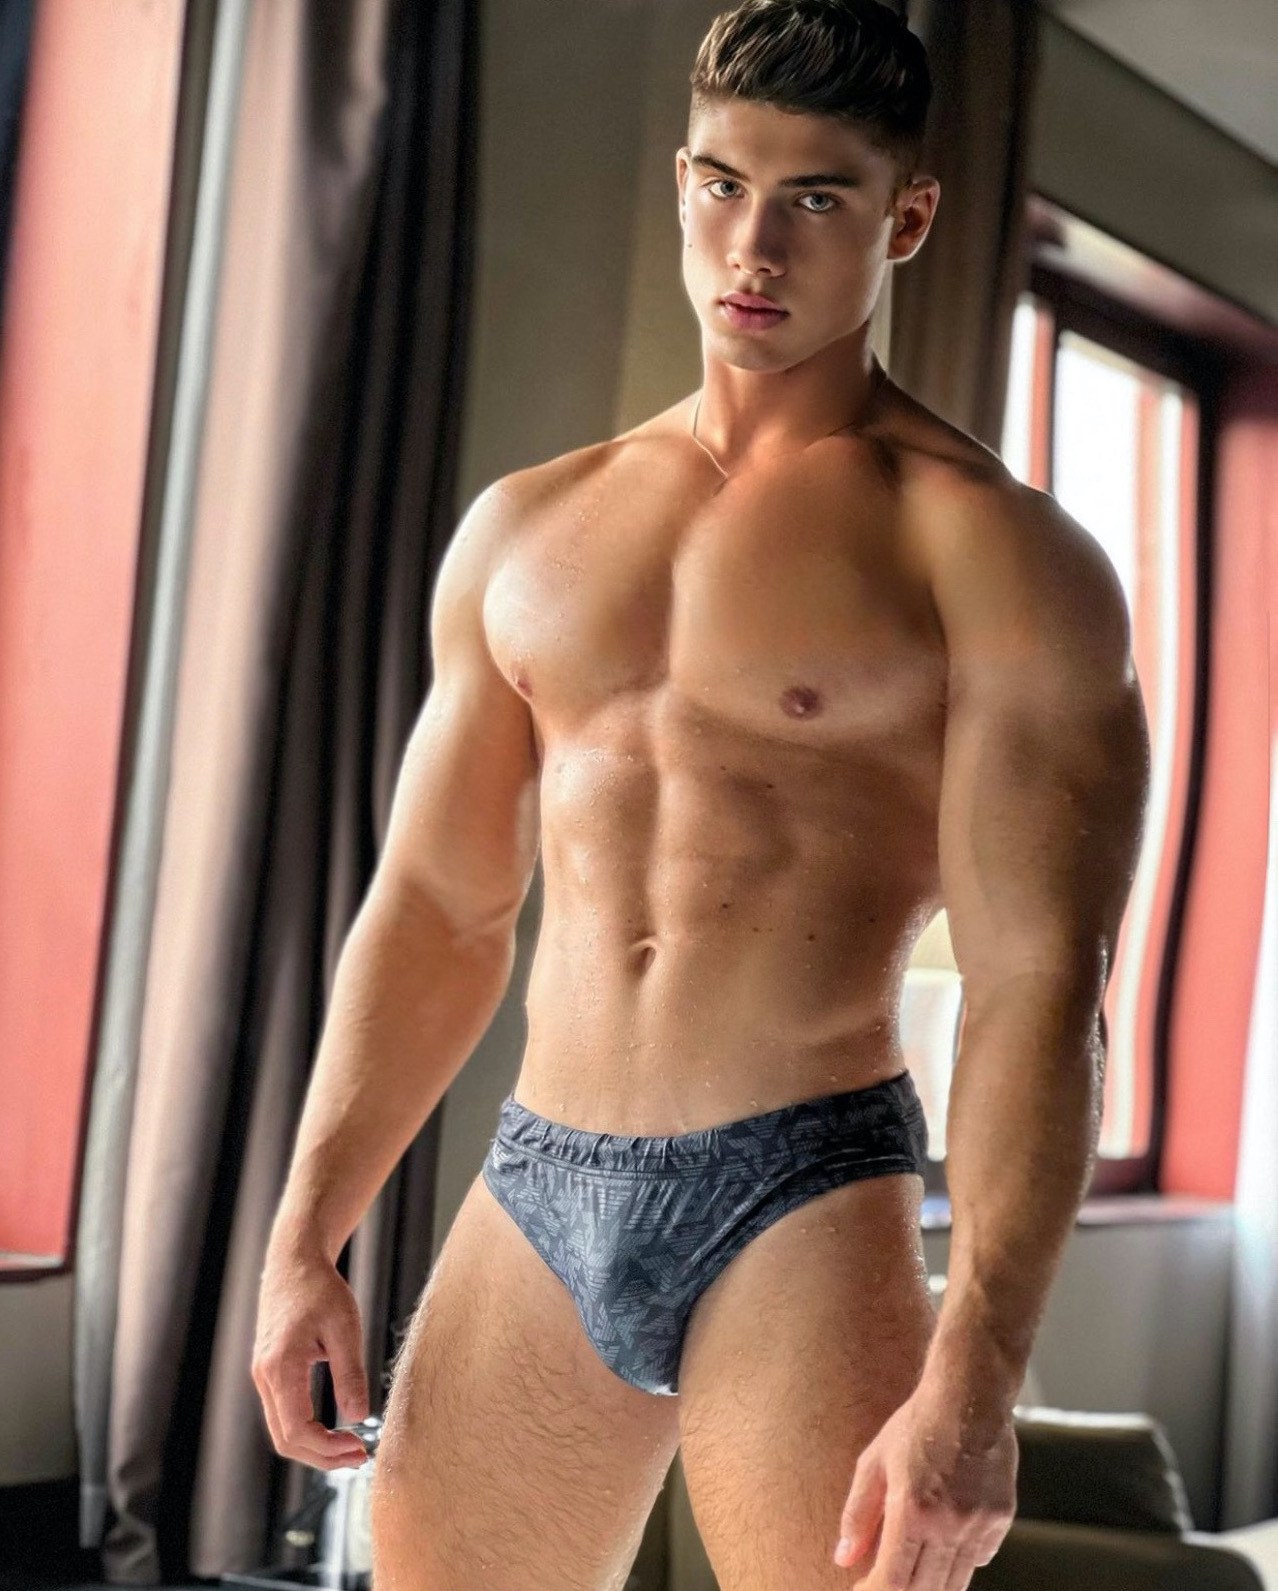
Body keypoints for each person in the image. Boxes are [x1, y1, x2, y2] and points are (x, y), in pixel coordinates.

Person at [251, 1, 1150, 1588]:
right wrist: (303, 1233)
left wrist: (975, 1374)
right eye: (725, 185)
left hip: (798, 1179)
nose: (755, 244)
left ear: (904, 220)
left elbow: (1036, 985)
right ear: (680, 183)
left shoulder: (995, 555)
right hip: (539, 1175)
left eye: (814, 198)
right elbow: (440, 906)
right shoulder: (526, 530)